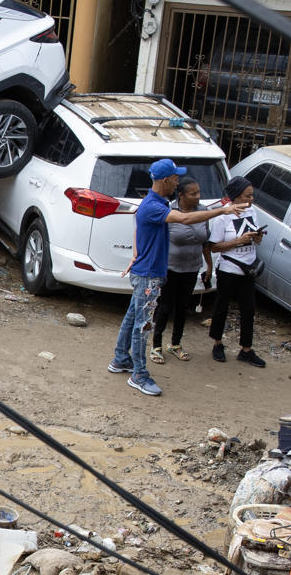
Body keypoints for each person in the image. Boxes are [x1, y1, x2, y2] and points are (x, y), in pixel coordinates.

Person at [111, 158, 236, 397]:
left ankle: (120, 359)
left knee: (132, 317)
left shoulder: (156, 202)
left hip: (146, 271)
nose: (178, 183)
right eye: (176, 178)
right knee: (142, 325)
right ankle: (139, 374)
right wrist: (223, 210)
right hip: (148, 275)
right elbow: (185, 218)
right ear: (166, 180)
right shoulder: (154, 206)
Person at [206, 175, 269, 368]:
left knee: (248, 309)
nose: (251, 200)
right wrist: (237, 242)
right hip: (229, 268)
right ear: (236, 196)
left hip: (248, 269)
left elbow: (256, 238)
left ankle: (246, 349)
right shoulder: (223, 217)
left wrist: (257, 237)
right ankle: (217, 343)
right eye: (247, 196)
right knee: (222, 307)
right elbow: (213, 247)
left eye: (252, 196)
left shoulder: (252, 211)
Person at [152, 176, 213, 363]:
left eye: (199, 193)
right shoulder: (169, 211)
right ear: (181, 195)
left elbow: (205, 243)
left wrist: (209, 266)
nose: (198, 197)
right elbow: (158, 241)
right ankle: (156, 345)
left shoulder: (203, 211)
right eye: (193, 193)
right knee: (164, 307)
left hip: (191, 268)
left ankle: (175, 344)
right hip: (170, 268)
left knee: (183, 307)